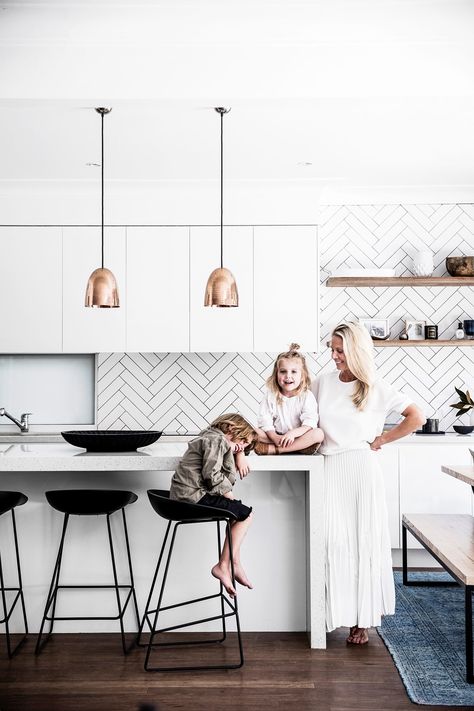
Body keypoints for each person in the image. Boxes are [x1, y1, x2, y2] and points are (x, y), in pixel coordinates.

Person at [312, 322, 425, 645]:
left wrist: (383, 439)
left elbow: (416, 416)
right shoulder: (322, 383)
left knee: (362, 543)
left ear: (356, 351)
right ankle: (332, 613)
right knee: (333, 543)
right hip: (329, 468)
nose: (333, 356)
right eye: (332, 349)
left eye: (339, 351)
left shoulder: (376, 386)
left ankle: (361, 622)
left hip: (362, 469)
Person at [170, 412, 258, 598]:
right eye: (243, 442)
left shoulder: (211, 436)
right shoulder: (216, 441)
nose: (241, 448)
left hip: (185, 496)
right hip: (193, 497)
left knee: (237, 513)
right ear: (231, 430)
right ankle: (224, 565)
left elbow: (222, 459)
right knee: (245, 514)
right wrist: (230, 496)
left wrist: (240, 451)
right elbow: (212, 475)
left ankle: (234, 563)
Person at [254, 343, 324, 455]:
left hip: (298, 436)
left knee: (318, 433)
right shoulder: (271, 395)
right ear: (276, 374)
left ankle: (276, 449)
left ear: (302, 376)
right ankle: (297, 447)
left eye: (294, 371)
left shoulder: (306, 396)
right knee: (253, 432)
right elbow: (265, 420)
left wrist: (293, 434)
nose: (288, 376)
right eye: (283, 371)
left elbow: (309, 422)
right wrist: (275, 437)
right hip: (276, 436)